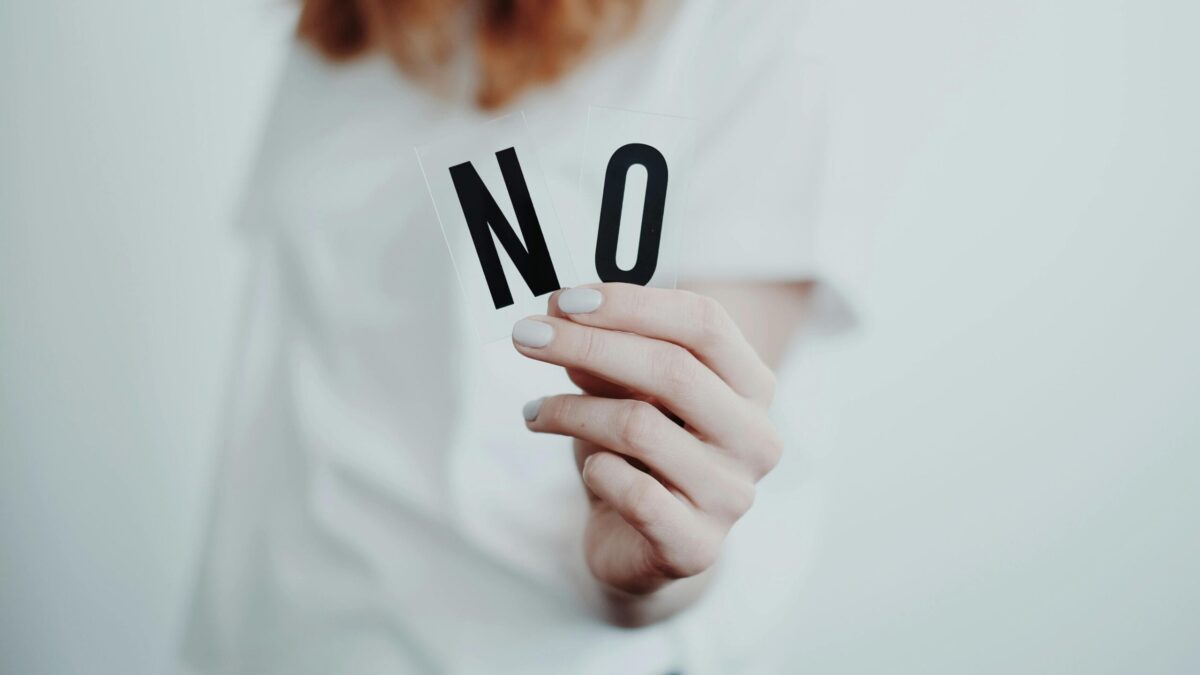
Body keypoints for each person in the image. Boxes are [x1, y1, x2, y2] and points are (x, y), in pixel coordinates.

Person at [179, 1, 858, 673]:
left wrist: (645, 561)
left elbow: (694, 496)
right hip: (269, 634)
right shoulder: (345, 25)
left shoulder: (752, 29)